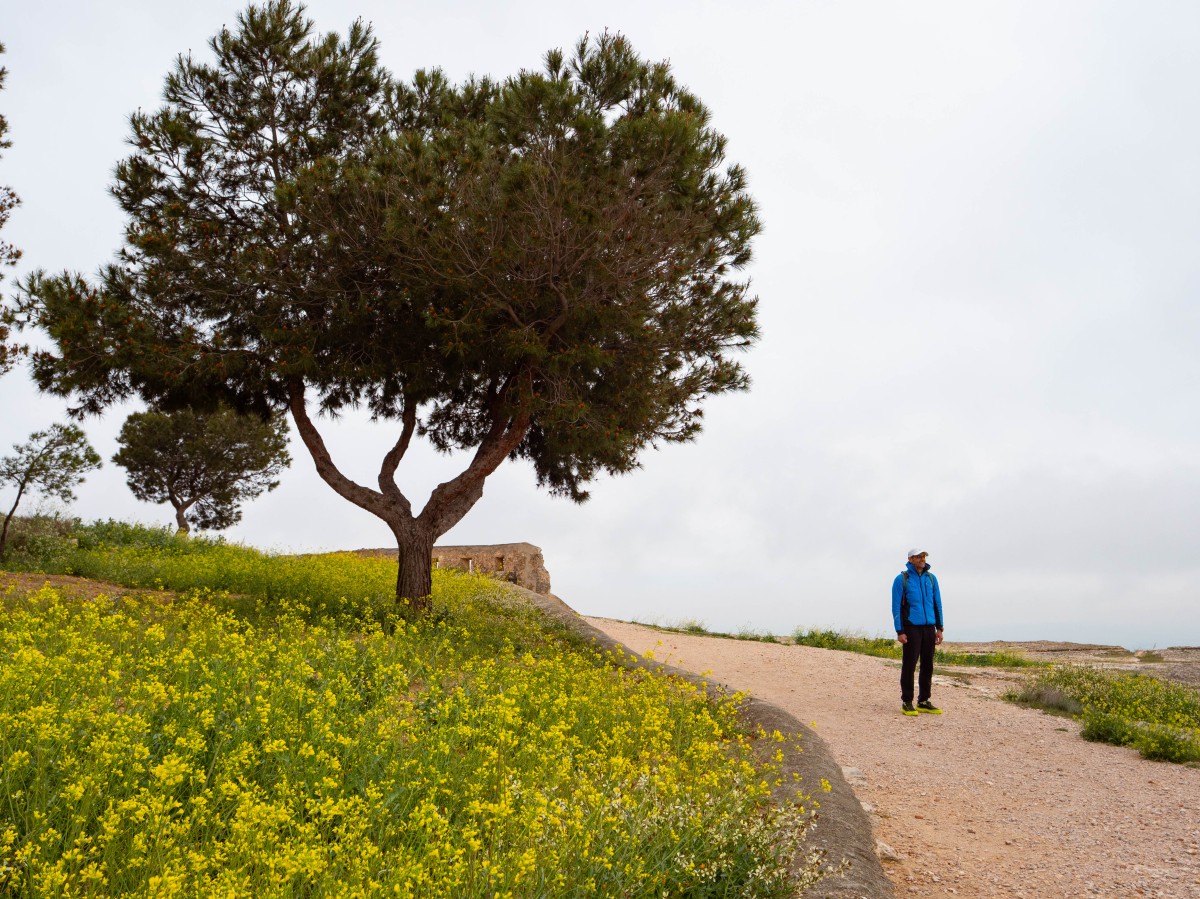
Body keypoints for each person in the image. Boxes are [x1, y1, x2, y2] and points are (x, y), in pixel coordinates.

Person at [892, 548, 944, 716]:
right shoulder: (902, 579)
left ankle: (923, 701)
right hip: (911, 627)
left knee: (928, 664)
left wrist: (940, 628)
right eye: (919, 556)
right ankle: (907, 701)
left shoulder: (931, 578)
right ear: (910, 558)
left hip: (929, 627)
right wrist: (900, 631)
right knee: (910, 664)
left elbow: (937, 603)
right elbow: (896, 607)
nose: (922, 559)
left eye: (924, 556)